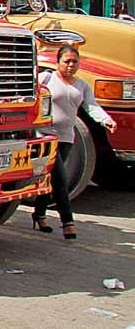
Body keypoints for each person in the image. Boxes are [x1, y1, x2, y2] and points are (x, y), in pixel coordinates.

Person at [33, 45, 117, 239]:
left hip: (67, 138)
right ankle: (68, 223)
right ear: (58, 62)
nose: (70, 65)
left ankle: (38, 214)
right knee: (61, 179)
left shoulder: (82, 85)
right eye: (67, 61)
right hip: (46, 136)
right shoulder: (46, 79)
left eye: (74, 62)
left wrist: (106, 120)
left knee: (53, 179)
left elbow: (91, 106)